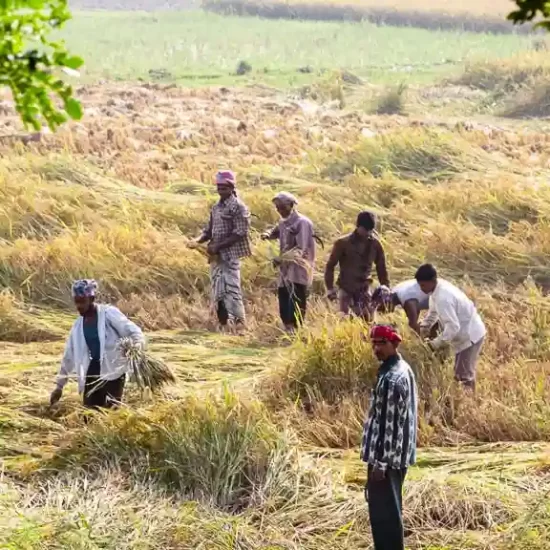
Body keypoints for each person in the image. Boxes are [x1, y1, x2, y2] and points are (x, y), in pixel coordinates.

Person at [361, 324, 417, 550]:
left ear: (394, 343)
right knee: (390, 512)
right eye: (374, 343)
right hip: (394, 458)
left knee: (385, 518)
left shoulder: (393, 379)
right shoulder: (399, 369)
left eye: (382, 343)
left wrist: (381, 464)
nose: (376, 348)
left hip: (386, 461)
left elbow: (391, 426)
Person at [49, 279, 145, 409]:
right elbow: (68, 356)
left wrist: (136, 349)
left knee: (112, 412)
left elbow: (134, 332)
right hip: (92, 371)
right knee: (89, 414)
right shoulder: (78, 326)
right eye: (76, 301)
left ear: (92, 298)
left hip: (113, 372)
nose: (79, 306)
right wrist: (59, 386)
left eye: (82, 301)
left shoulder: (108, 314)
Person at [195, 170, 251, 331]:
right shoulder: (216, 207)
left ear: (232, 188)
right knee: (218, 291)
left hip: (230, 256)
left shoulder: (238, 207)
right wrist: (197, 241)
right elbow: (209, 230)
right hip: (215, 257)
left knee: (232, 290)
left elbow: (240, 232)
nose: (221, 191)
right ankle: (223, 324)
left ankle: (239, 325)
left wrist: (218, 246)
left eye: (224, 188)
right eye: (219, 187)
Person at [415, 264, 486, 389]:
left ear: (432, 281)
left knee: (463, 375)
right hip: (466, 331)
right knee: (461, 371)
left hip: (470, 335)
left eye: (423, 285)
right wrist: (422, 328)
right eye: (420, 285)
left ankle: (468, 404)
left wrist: (434, 344)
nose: (422, 289)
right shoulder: (436, 290)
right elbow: (432, 313)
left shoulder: (443, 298)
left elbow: (453, 327)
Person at [261, 192, 315, 333]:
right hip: (285, 269)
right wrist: (268, 234)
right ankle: (287, 329)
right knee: (284, 298)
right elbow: (276, 231)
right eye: (277, 208)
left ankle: (295, 330)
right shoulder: (283, 221)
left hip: (298, 268)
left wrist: (281, 258)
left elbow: (301, 249)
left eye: (283, 207)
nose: (280, 211)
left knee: (296, 299)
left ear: (291, 205)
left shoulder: (302, 223)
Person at [324, 211, 389, 321]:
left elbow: (381, 268)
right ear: (358, 226)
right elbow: (330, 266)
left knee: (367, 320)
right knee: (344, 319)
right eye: (365, 230)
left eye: (370, 230)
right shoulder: (342, 243)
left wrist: (386, 288)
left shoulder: (375, 245)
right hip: (346, 288)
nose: (368, 233)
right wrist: (330, 288)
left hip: (364, 288)